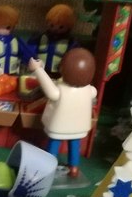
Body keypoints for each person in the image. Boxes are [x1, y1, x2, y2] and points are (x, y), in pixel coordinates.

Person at [28, 48, 97, 178]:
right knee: (74, 145)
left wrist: (38, 69)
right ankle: (74, 168)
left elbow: (50, 90)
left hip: (59, 127)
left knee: (54, 144)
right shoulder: (91, 90)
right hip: (78, 128)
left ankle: (48, 166)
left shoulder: (59, 91)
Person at [30, 4, 78, 76]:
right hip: (39, 71)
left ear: (69, 27)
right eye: (52, 25)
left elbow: (73, 57)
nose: (55, 29)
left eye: (61, 27)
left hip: (58, 74)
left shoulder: (71, 42)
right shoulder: (39, 37)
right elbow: (30, 50)